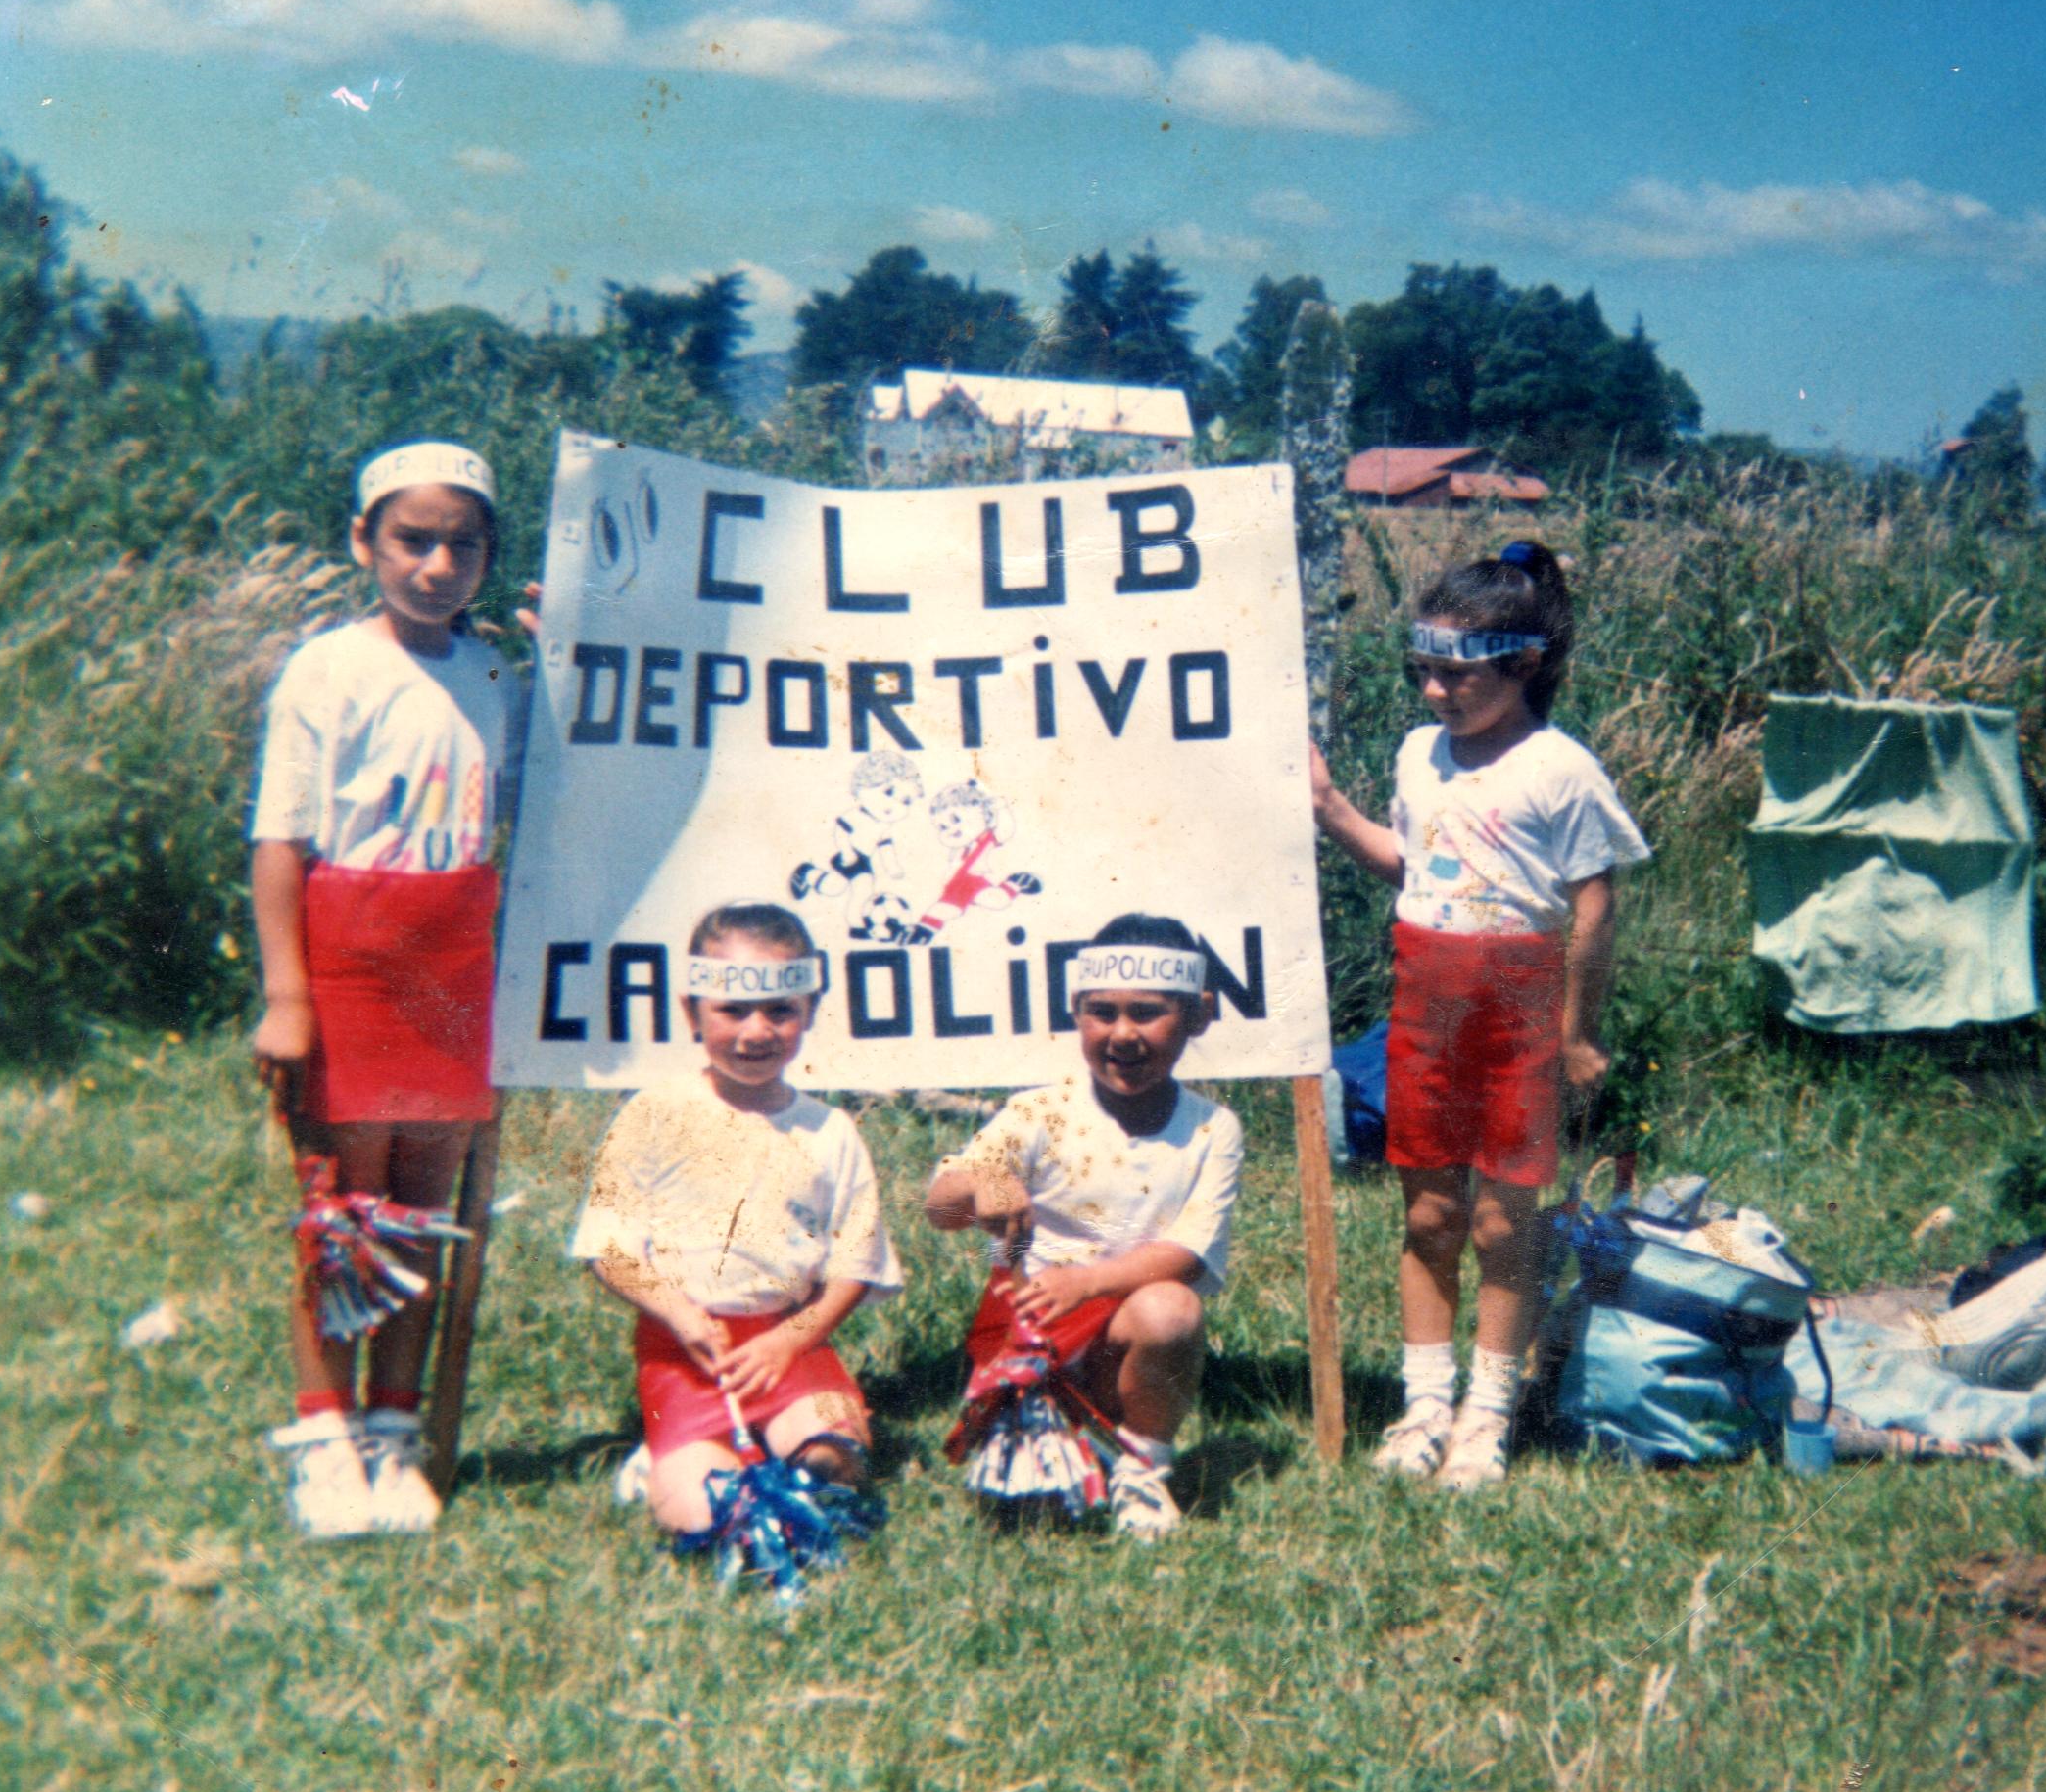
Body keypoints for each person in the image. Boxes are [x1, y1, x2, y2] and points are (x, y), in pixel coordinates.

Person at [1309, 541, 1650, 1489]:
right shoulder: (1420, 755)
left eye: (1457, 676)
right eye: (1423, 671)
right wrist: (1329, 805)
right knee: (1428, 1216)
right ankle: (1424, 1406)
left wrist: (1575, 1032)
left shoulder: (1560, 770)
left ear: (1524, 664)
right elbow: (1412, 867)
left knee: (1505, 1226)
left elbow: (1593, 910)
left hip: (1518, 1011)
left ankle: (1487, 1416)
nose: (1434, 694)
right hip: (1425, 999)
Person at [249, 440, 525, 1539]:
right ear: (364, 540)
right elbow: (279, 840)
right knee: (343, 1213)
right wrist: (288, 995)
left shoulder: (499, 674)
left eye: (462, 544)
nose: (437, 564)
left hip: (451, 966)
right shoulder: (328, 667)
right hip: (346, 960)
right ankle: (324, 1434)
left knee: (418, 1215)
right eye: (413, 539)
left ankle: (394, 1429)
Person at [569, 903, 901, 1539]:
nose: (757, 1031)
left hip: (791, 1346)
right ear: (692, 1011)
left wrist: (787, 1341)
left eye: (781, 1010)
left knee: (837, 1463)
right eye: (732, 1010)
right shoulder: (652, 1114)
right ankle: (676, 1453)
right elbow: (606, 1247)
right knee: (704, 1516)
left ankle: (773, 1438)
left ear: (809, 1011)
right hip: (688, 1351)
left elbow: (853, 1269)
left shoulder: (830, 1131)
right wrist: (678, 1311)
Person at [923, 914, 1245, 1541]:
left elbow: (1187, 1251)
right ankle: (1049, 1424)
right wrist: (982, 1183)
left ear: (1199, 1014)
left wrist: (1091, 1281)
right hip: (1034, 1330)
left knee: (1172, 1309)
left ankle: (1143, 1469)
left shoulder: (1214, 1127)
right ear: (1076, 1011)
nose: (1123, 1034)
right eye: (1102, 1012)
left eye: (1148, 1013)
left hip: (1131, 1335)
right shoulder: (1039, 1110)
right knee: (1030, 1514)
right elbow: (940, 1207)